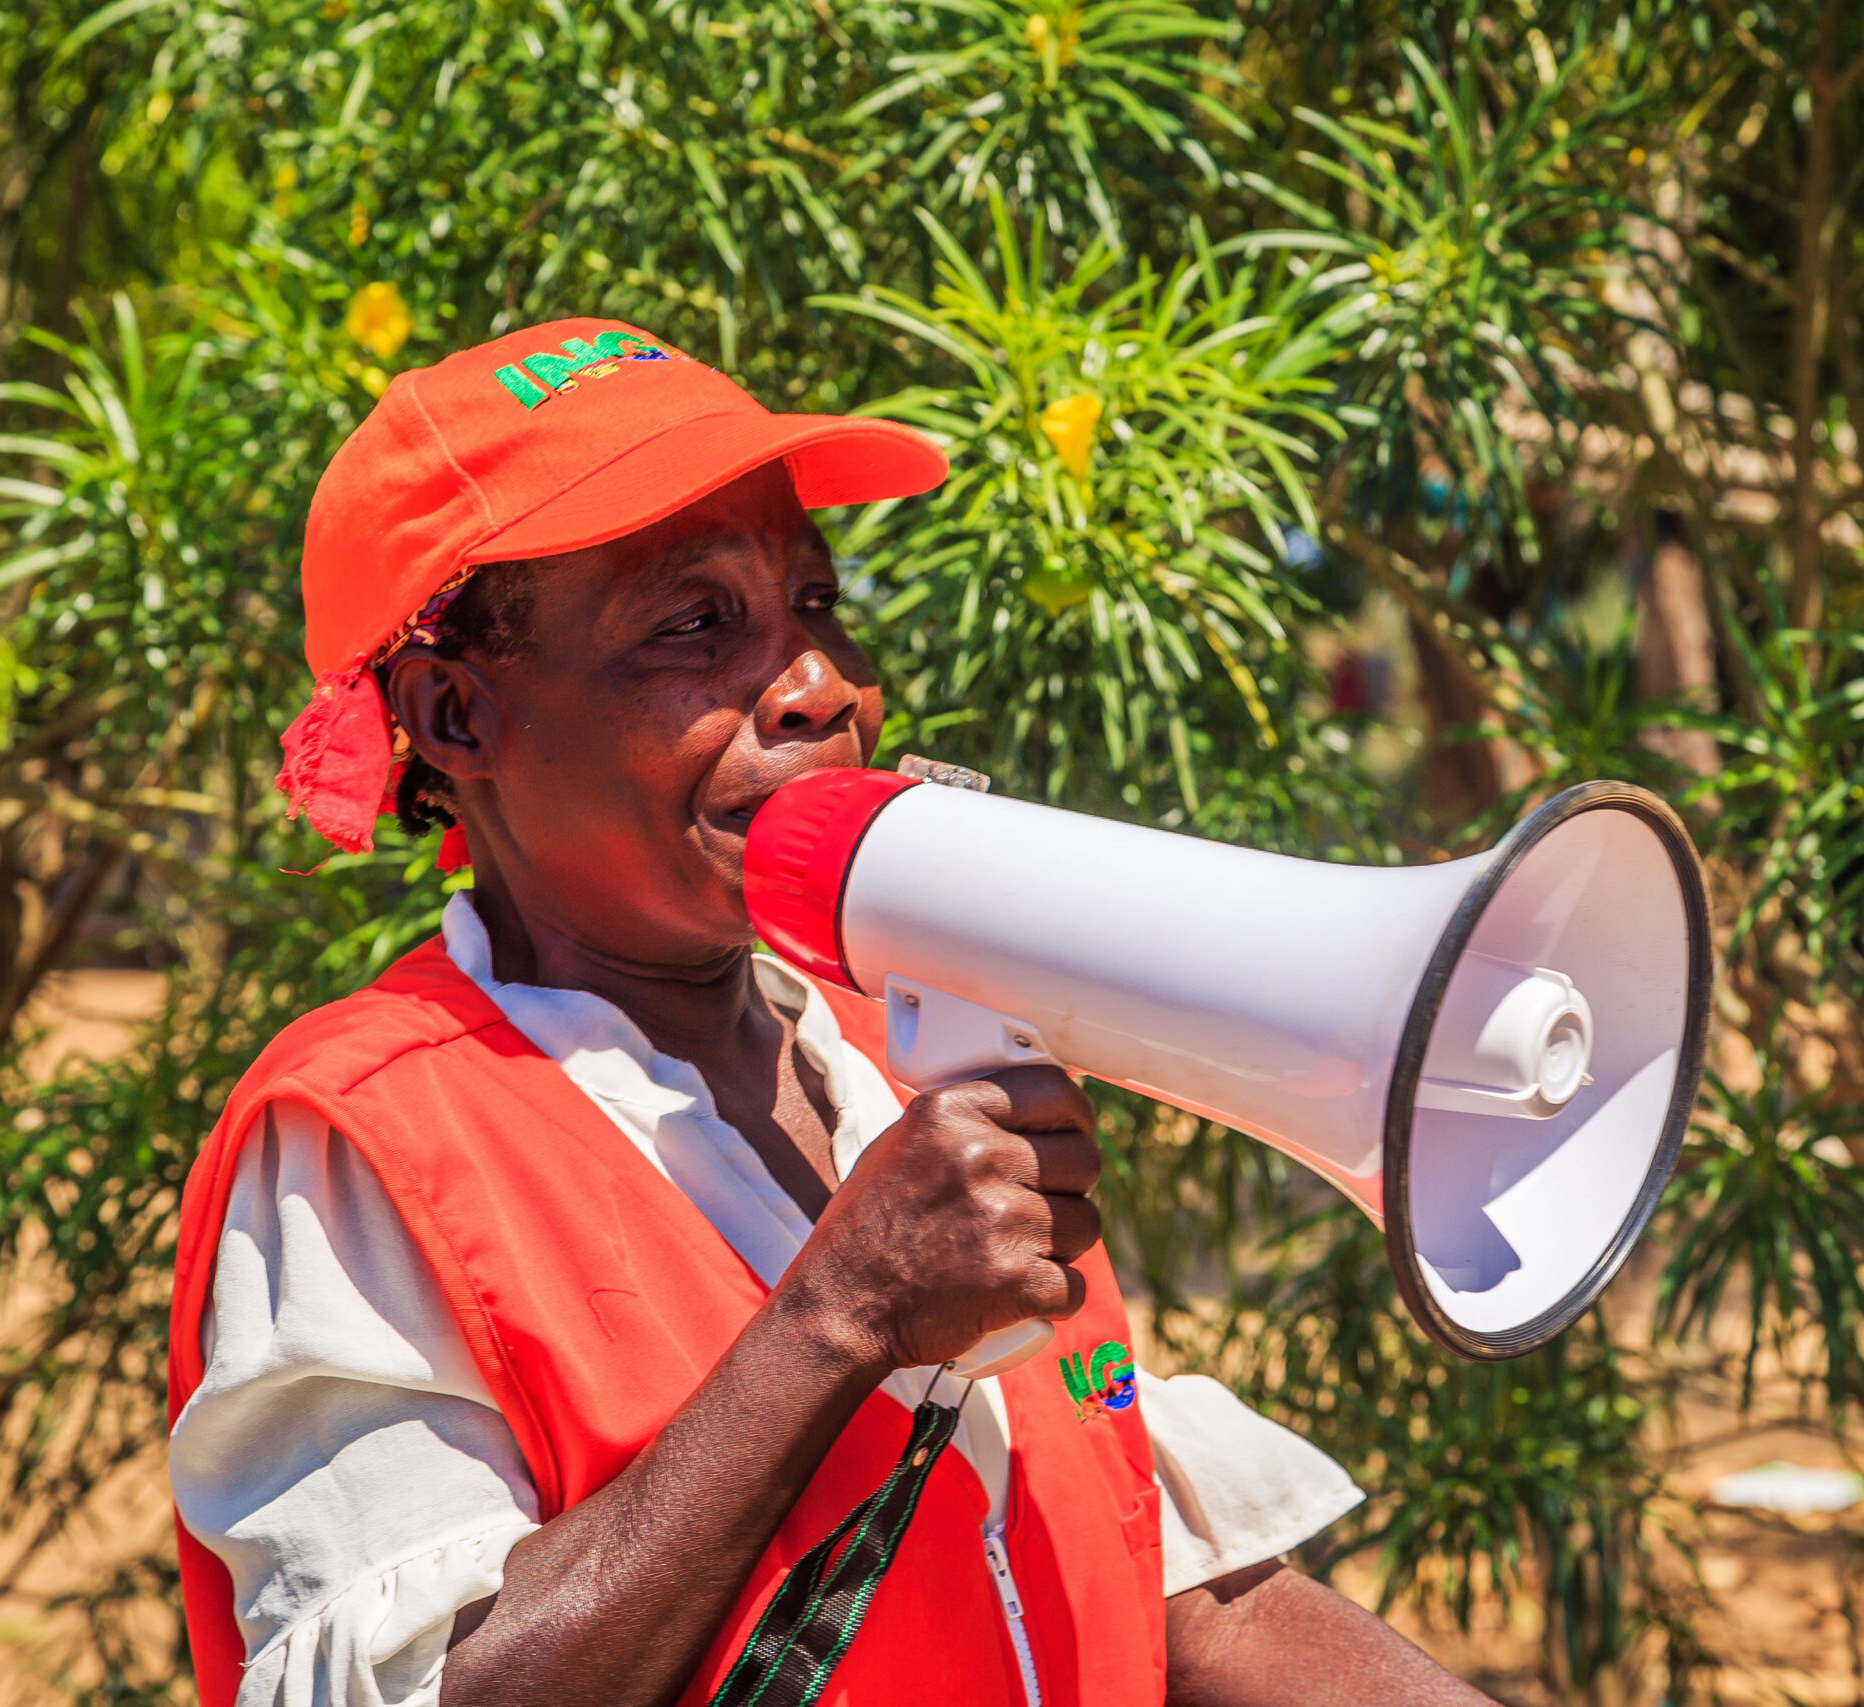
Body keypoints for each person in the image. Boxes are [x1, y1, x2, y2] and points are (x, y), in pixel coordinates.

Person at [166, 318, 1497, 1707]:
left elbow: (1137, 1557)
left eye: (813, 603)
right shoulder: (368, 1141)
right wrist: (839, 1316)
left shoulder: (891, 1040)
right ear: (456, 716)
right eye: (694, 626)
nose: (821, 690)